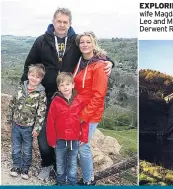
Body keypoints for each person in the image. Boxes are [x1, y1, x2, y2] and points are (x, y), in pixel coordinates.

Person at [20, 7, 113, 180]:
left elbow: (94, 54)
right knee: (44, 133)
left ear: (70, 23)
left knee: (65, 133)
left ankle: (59, 167)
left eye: (65, 22)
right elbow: (29, 65)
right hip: (46, 96)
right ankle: (47, 165)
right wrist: (24, 89)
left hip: (69, 99)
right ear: (53, 22)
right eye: (59, 21)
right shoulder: (42, 41)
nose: (62, 25)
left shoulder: (75, 41)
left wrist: (110, 62)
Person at [73, 31, 109, 185]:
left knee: (83, 145)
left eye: (88, 42)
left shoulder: (100, 65)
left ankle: (89, 180)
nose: (85, 44)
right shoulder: (80, 62)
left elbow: (98, 95)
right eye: (82, 42)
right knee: (76, 143)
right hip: (77, 108)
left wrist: (84, 116)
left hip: (90, 112)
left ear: (94, 44)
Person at [46, 72, 89, 185]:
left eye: (67, 84)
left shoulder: (79, 101)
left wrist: (84, 137)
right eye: (62, 85)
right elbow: (50, 121)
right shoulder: (55, 101)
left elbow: (85, 120)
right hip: (59, 139)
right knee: (60, 162)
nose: (65, 87)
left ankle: (72, 182)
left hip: (74, 139)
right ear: (58, 87)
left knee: (73, 163)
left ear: (73, 85)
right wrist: (52, 140)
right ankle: (60, 181)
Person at [6, 64, 47, 180]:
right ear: (28, 75)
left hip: (28, 128)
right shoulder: (20, 88)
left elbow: (41, 113)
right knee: (16, 147)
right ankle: (15, 166)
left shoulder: (41, 94)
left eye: (37, 77)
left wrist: (37, 128)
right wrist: (9, 120)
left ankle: (25, 168)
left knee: (27, 149)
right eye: (32, 75)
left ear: (41, 79)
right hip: (16, 125)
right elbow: (12, 104)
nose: (34, 78)